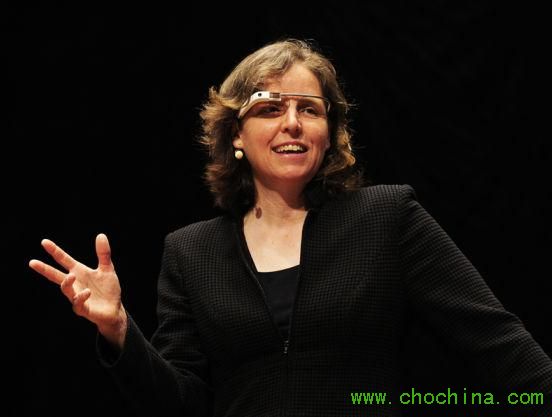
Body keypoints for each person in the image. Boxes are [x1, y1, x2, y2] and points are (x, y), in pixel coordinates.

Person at [29, 38, 552, 417]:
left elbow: (502, 349)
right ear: (236, 134)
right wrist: (120, 331)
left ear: (329, 131)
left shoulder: (388, 217)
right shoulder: (191, 252)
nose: (293, 123)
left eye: (310, 109)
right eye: (271, 108)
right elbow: (182, 403)